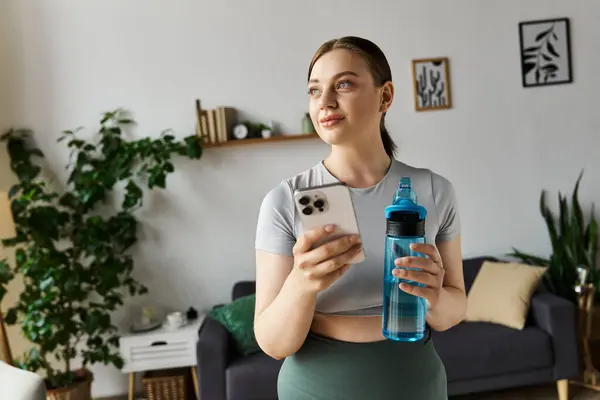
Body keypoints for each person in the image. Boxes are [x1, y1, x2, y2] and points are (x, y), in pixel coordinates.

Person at [254, 36, 466, 400]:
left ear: (385, 96)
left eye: (344, 84)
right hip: (316, 387)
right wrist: (302, 283)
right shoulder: (284, 201)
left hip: (415, 382)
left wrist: (433, 294)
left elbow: (452, 312)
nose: (325, 102)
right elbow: (274, 345)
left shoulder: (434, 191)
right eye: (315, 90)